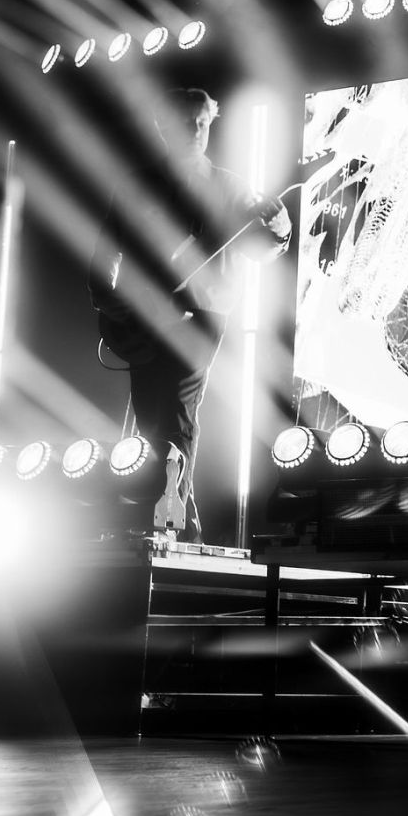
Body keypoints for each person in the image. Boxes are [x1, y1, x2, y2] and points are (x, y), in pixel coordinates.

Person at [90, 87, 291, 543]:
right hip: (141, 315)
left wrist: (280, 230)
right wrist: (106, 299)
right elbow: (106, 248)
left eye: (202, 123)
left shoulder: (230, 186)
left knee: (178, 409)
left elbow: (259, 247)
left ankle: (171, 519)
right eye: (185, 123)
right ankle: (180, 517)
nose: (196, 131)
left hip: (202, 312)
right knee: (150, 415)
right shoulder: (138, 183)